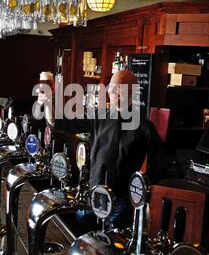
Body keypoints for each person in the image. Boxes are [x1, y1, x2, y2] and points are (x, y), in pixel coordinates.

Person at [37, 70, 167, 231]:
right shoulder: (98, 116)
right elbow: (58, 122)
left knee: (111, 250)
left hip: (120, 203)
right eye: (111, 86)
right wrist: (49, 101)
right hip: (92, 196)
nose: (111, 91)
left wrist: (141, 194)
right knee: (84, 245)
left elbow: (160, 165)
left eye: (118, 87)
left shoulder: (144, 127)